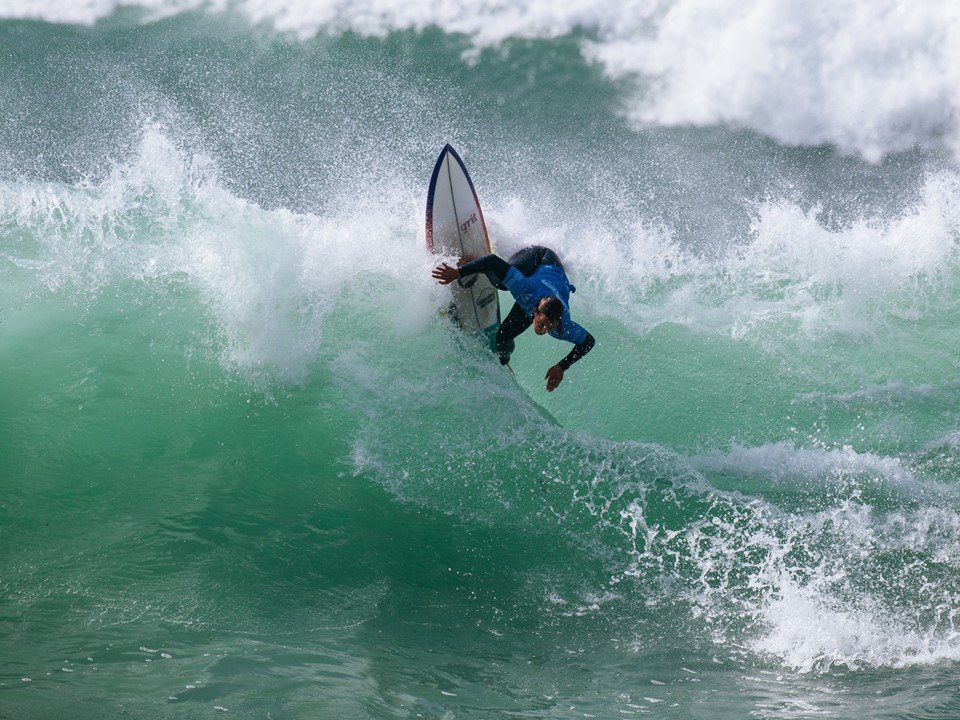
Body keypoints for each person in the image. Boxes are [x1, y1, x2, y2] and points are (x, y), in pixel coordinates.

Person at [432, 246, 595, 392]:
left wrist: (562, 366)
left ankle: (504, 361)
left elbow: (588, 341)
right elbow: (492, 260)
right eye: (543, 324)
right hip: (541, 257)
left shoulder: (564, 326)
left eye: (550, 327)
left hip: (552, 277)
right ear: (535, 312)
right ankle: (477, 262)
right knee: (500, 283)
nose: (545, 330)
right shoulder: (525, 288)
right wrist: (458, 273)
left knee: (503, 337)